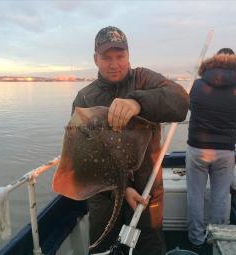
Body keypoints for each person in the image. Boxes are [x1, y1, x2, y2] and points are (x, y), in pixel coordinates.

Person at [72, 26, 189, 255]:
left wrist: (138, 103)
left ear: (129, 55)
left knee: (150, 247)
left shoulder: (144, 80)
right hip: (105, 195)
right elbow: (82, 157)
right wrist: (121, 189)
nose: (114, 64)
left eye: (120, 56)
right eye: (106, 58)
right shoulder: (85, 98)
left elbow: (181, 102)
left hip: (148, 190)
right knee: (102, 249)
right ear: (95, 59)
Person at [186, 48, 236, 251]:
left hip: (197, 148)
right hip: (225, 151)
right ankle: (217, 239)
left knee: (195, 194)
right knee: (221, 196)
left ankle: (196, 238)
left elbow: (191, 108)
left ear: (213, 62)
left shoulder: (197, 85)